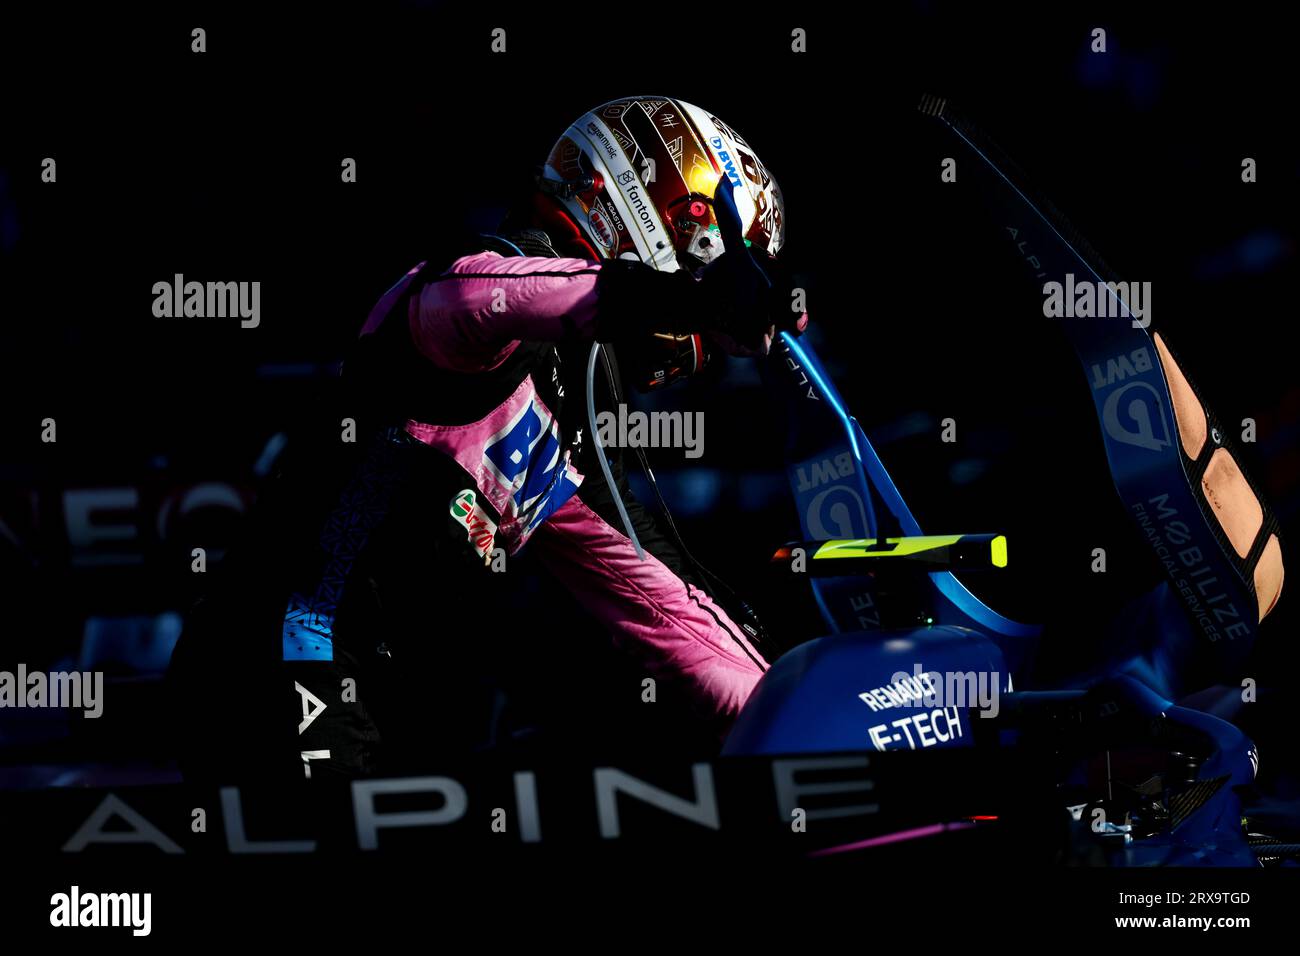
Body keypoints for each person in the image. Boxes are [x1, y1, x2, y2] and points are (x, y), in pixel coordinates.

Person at [167, 96, 808, 786]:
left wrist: (807, 724)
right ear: (635, 204)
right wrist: (685, 300)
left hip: (383, 695)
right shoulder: (474, 289)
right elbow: (485, 298)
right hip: (281, 651)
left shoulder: (570, 434)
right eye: (703, 250)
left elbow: (668, 612)